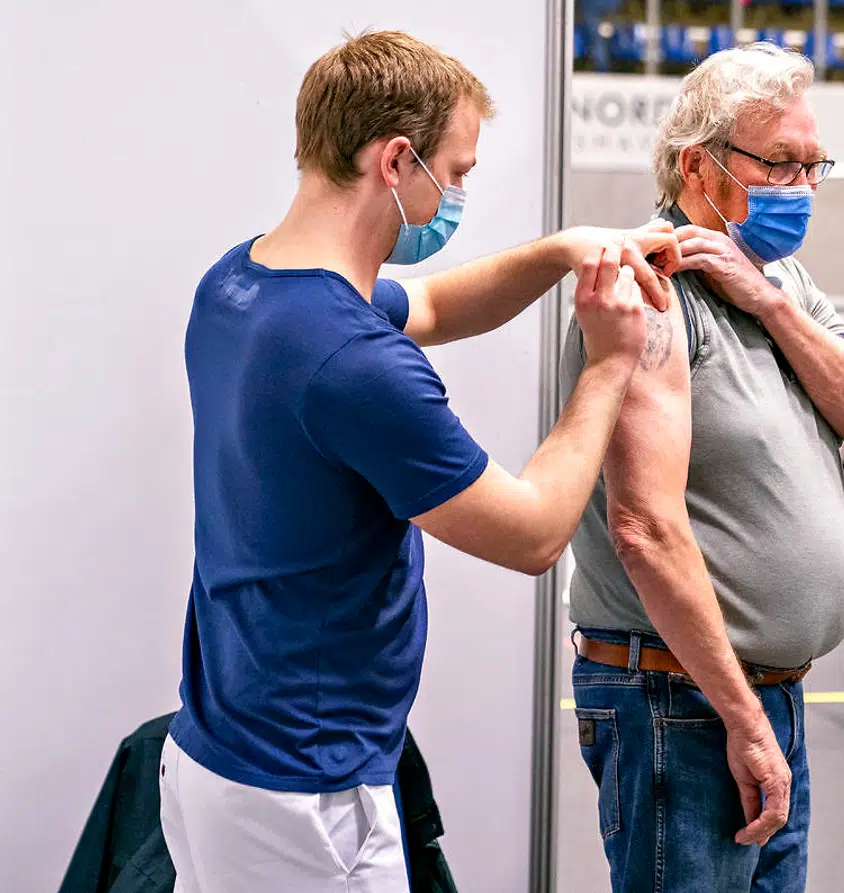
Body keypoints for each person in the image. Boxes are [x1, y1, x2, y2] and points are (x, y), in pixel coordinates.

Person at [158, 30, 679, 893]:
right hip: (303, 797)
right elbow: (533, 533)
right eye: (457, 172)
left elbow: (432, 302)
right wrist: (609, 363)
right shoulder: (352, 361)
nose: (459, 193)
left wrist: (565, 249)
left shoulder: (239, 285)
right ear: (397, 160)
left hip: (224, 754)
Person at [560, 42, 844, 893]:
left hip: (761, 697)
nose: (801, 185)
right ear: (700, 167)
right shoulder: (653, 292)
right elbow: (643, 530)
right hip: (683, 701)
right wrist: (742, 718)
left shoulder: (782, 280)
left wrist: (769, 303)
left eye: (812, 165)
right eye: (778, 163)